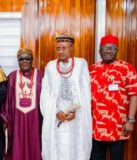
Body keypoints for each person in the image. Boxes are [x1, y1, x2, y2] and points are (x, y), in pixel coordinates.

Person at [40, 32, 92, 160]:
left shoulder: (81, 64)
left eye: (64, 48)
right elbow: (45, 94)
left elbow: (85, 92)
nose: (61, 51)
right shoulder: (51, 66)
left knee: (77, 149)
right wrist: (56, 112)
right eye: (58, 48)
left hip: (76, 117)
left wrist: (74, 111)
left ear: (71, 48)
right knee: (57, 150)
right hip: (56, 117)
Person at [89, 35, 137, 160]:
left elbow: (134, 94)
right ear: (99, 51)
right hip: (95, 127)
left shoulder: (127, 68)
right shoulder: (91, 69)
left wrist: (130, 120)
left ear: (117, 50)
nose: (108, 51)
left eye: (112, 48)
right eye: (105, 48)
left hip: (118, 127)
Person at [1, 48, 43, 160]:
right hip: (17, 121)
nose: (24, 61)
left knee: (35, 145)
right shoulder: (12, 77)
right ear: (18, 61)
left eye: (27, 58)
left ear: (32, 60)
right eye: (21, 59)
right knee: (17, 147)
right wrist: (5, 119)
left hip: (36, 120)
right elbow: (7, 100)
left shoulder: (40, 76)